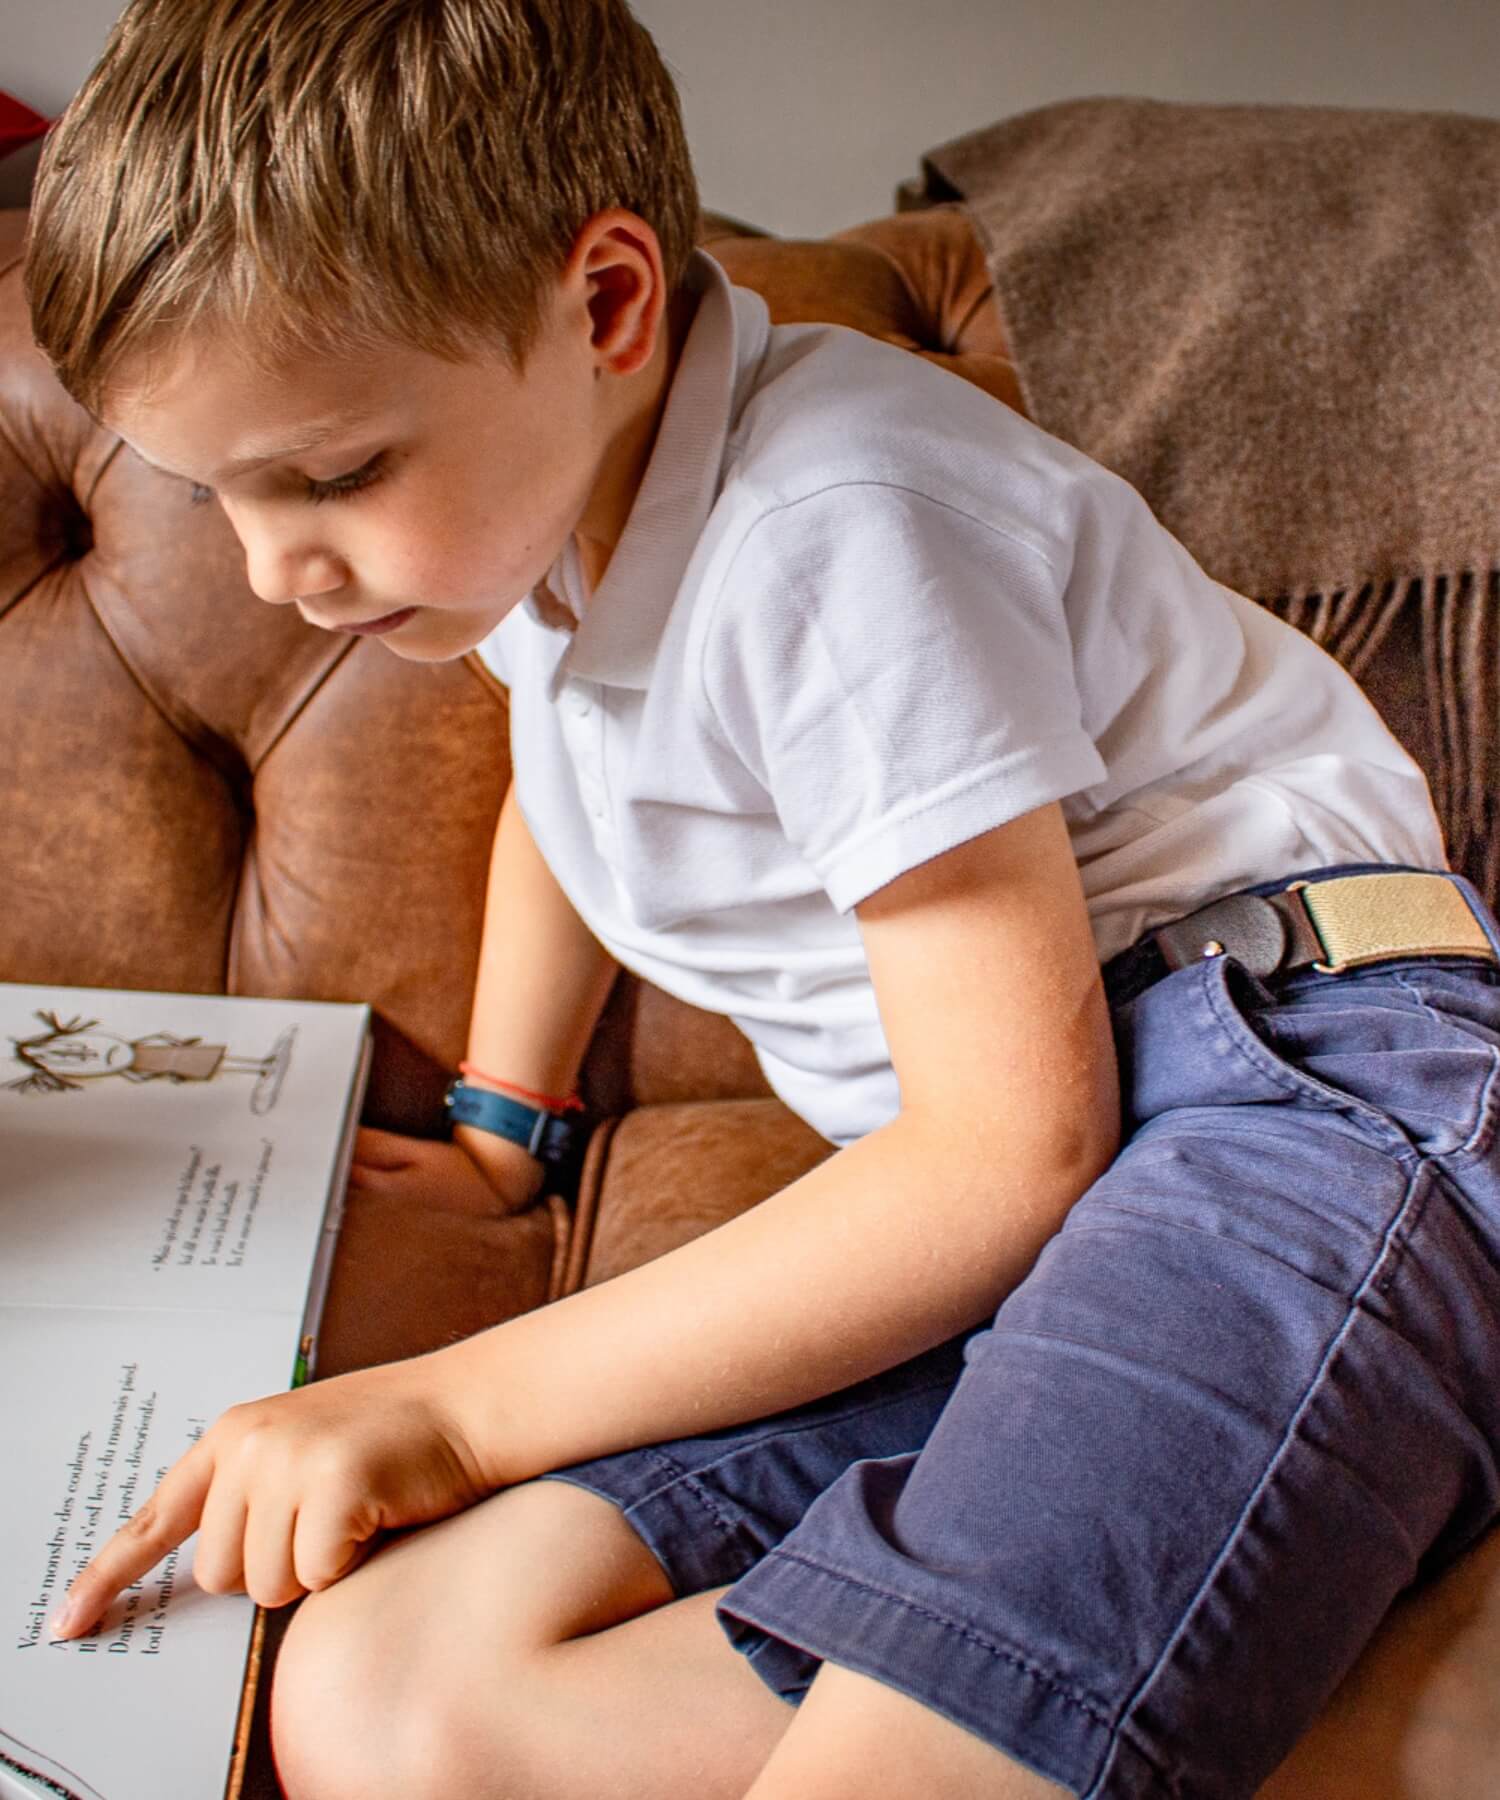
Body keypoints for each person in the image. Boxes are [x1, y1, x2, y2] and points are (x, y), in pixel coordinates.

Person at [24, 1, 1500, 1795]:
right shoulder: (555, 510)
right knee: (386, 1692)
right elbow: (561, 807)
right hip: (1061, 1189)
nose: (277, 571)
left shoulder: (835, 522)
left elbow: (1004, 1151)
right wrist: (508, 1123)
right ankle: (1265, 1632)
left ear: (609, 303)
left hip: (1284, 1081)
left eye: (333, 477)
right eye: (218, 499)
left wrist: (440, 1402)